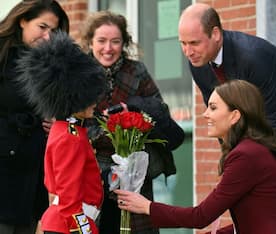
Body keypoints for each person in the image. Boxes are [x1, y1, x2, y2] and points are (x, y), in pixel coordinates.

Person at [178, 3, 276, 220]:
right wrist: (232, 173)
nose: (188, 51)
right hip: (268, 128)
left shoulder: (254, 56)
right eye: (183, 44)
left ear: (215, 34)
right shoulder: (198, 62)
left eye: (194, 42)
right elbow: (221, 120)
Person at [115, 80, 276, 234]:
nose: (205, 114)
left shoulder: (246, 156)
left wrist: (147, 206)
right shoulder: (251, 150)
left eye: (213, 107)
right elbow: (256, 217)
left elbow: (201, 216)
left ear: (235, 116)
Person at [80, 11, 185, 234]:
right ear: (90, 41)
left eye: (115, 41)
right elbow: (70, 120)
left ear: (124, 43)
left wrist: (134, 110)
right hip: (92, 173)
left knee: (137, 228)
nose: (108, 48)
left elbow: (159, 109)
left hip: (135, 172)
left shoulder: (136, 71)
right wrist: (107, 130)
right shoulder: (79, 74)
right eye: (101, 41)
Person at [15, 31, 107, 234]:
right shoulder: (70, 137)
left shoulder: (65, 129)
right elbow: (69, 197)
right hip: (69, 226)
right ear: (76, 97)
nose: (95, 102)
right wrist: (83, 231)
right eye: (91, 97)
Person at [0, 1, 69, 233]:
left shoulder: (50, 63)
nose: (47, 36)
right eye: (42, 27)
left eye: (53, 31)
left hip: (33, 178)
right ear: (22, 20)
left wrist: (55, 122)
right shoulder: (2, 54)